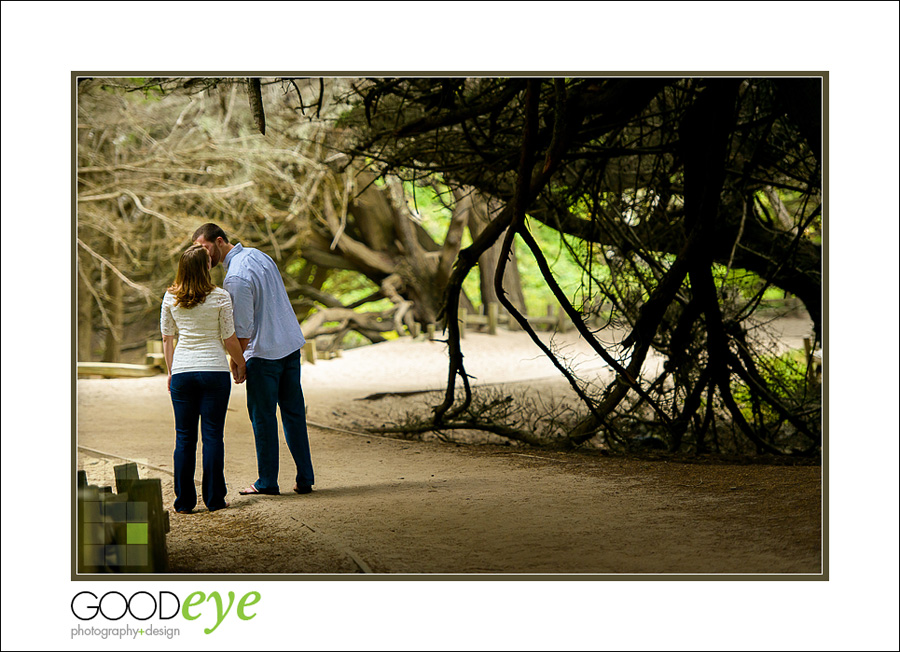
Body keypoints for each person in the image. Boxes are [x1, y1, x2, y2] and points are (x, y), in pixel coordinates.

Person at [193, 223, 315, 496]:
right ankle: (305, 477)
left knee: (263, 418)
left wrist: (237, 362)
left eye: (204, 248)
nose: (203, 254)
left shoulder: (235, 276)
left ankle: (268, 482)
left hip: (264, 353)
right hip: (289, 343)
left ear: (220, 241)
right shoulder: (259, 255)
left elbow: (243, 328)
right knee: (294, 413)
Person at [160, 244, 247, 514]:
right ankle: (214, 499)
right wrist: (241, 363)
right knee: (212, 437)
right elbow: (228, 338)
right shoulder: (220, 297)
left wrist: (172, 371)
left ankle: (184, 502)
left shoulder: (170, 297)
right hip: (214, 372)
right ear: (206, 266)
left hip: (183, 373)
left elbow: (167, 338)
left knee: (184, 439)